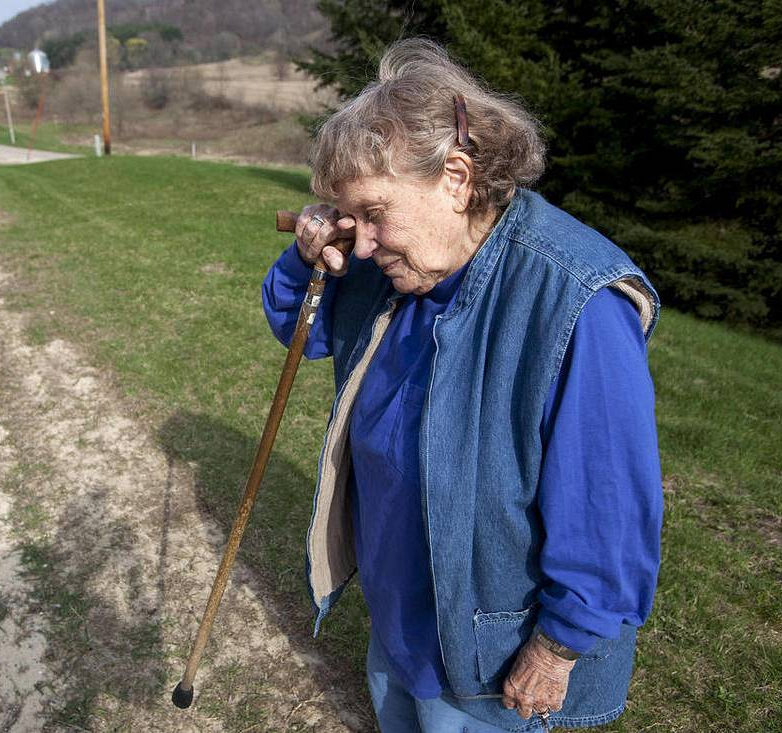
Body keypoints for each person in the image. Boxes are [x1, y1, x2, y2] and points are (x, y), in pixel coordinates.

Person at [261, 38, 663, 732]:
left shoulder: (574, 301)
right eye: (348, 218)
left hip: (493, 659)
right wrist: (305, 260)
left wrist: (557, 645)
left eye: (373, 212)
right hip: (400, 613)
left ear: (454, 175)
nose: (361, 242)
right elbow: (302, 331)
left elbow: (609, 505)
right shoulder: (393, 264)